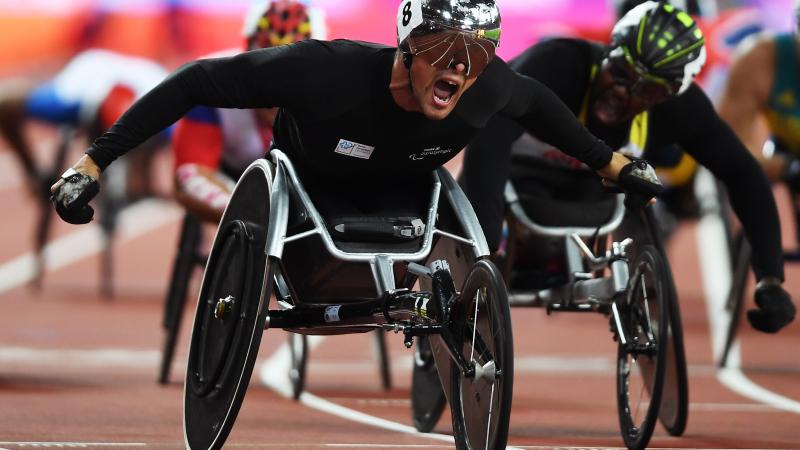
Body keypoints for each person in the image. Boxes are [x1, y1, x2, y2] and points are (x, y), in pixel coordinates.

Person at [51, 0, 661, 273]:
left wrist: (613, 166)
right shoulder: (323, 68)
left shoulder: (486, 86)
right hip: (310, 194)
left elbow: (545, 110)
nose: (458, 67)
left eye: (474, 56)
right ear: (407, 47)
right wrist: (93, 164)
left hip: (402, 195)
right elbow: (195, 81)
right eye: (443, 51)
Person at [461, 1, 795, 333]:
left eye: (646, 88)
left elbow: (743, 173)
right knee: (470, 227)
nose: (623, 91)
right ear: (610, 50)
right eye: (621, 72)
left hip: (597, 187)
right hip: (514, 173)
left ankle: (640, 300)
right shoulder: (557, 64)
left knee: (646, 193)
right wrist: (482, 250)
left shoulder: (681, 108)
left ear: (666, 95)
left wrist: (770, 277)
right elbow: (487, 138)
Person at [172, 0, 318, 222]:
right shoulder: (214, 82)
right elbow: (189, 174)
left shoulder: (334, 87)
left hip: (306, 184)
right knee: (189, 178)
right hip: (232, 179)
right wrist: (249, 213)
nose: (274, 87)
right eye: (264, 68)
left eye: (290, 73)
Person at [0, 49, 170, 198]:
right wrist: (31, 170)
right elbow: (5, 102)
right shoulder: (67, 101)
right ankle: (35, 178)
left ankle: (142, 182)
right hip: (89, 74)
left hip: (148, 93)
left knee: (137, 186)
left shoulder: (168, 115)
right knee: (5, 103)